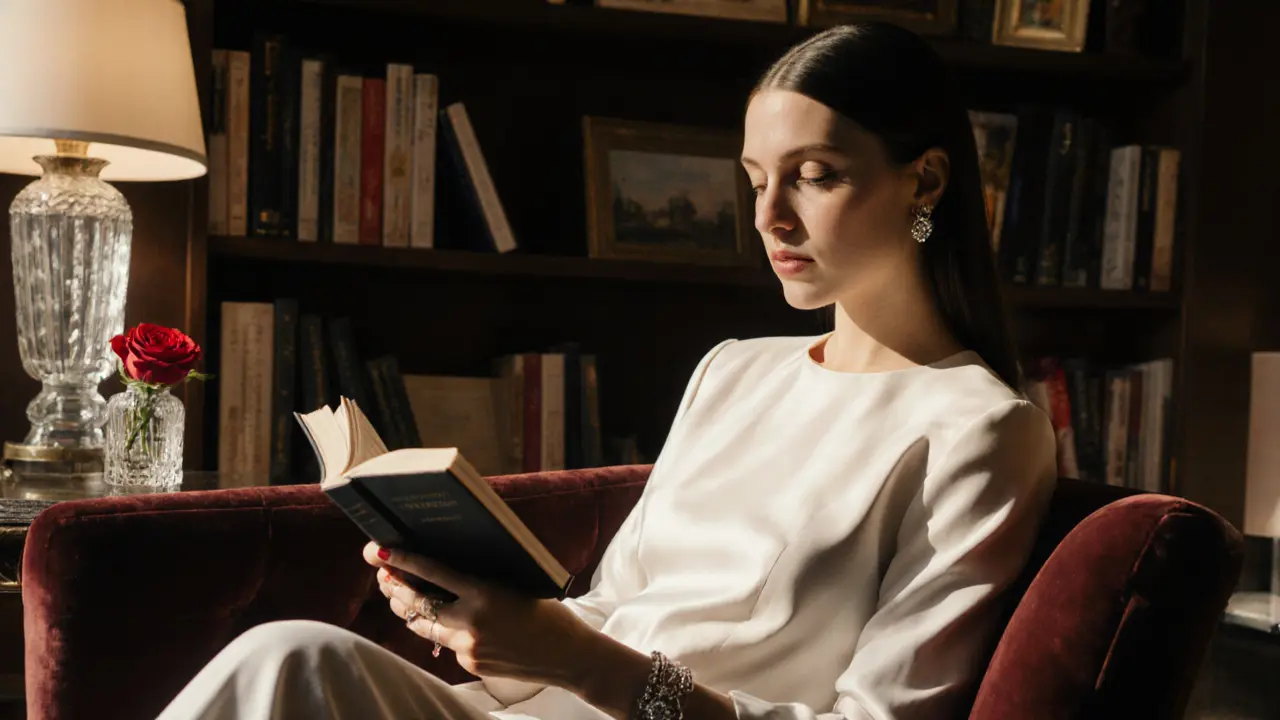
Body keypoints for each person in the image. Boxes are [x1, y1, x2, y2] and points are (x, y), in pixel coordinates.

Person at [158, 21, 1056, 720]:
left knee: (293, 661)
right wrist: (482, 625)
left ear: (925, 183)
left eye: (814, 176)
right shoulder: (734, 372)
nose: (769, 217)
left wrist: (580, 663)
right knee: (289, 655)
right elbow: (614, 609)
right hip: (547, 707)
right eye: (756, 179)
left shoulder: (981, 429)